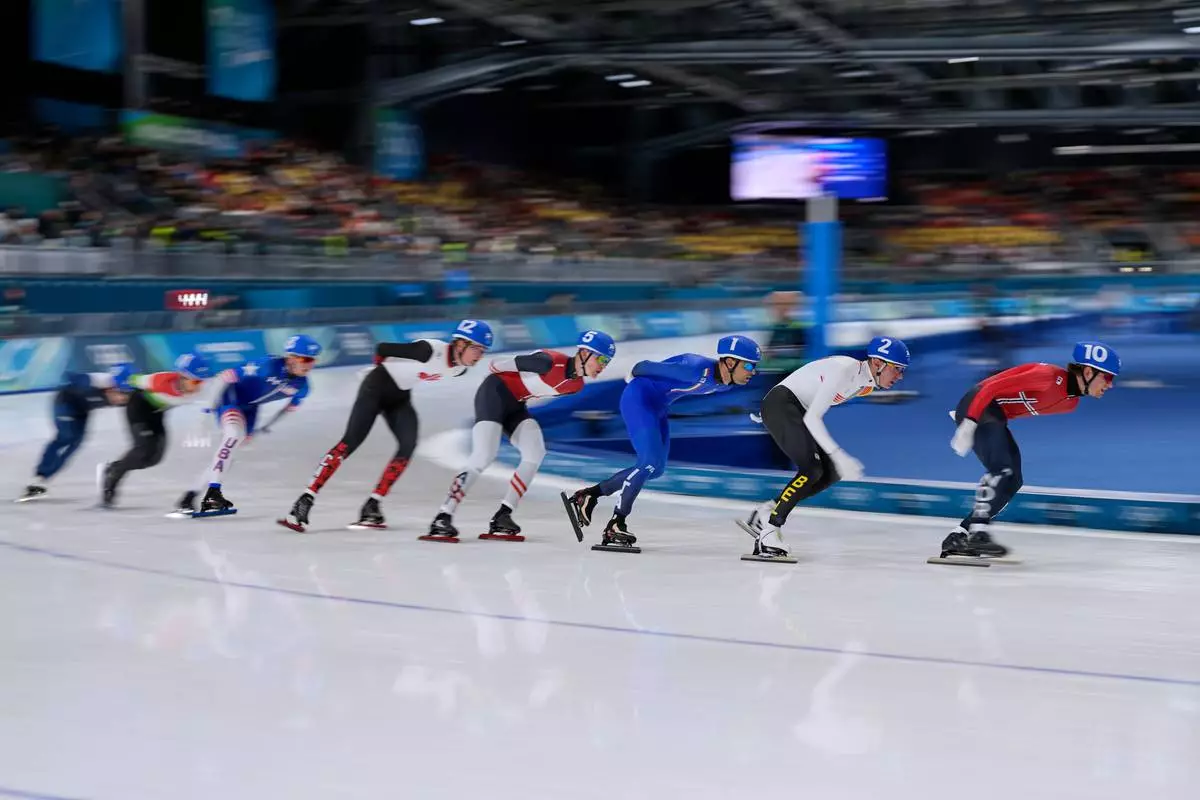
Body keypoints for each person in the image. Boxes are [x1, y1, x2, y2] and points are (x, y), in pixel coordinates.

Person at [278, 320, 492, 534]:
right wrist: (377, 374)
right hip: (376, 387)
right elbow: (381, 349)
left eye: (483, 351)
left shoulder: (460, 370)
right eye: (476, 349)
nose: (479, 356)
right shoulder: (428, 350)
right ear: (460, 344)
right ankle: (304, 501)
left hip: (399, 396)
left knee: (408, 445)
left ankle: (373, 505)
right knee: (350, 442)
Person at [562, 335, 761, 551]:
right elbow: (642, 367)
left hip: (657, 406)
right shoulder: (695, 368)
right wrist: (633, 376)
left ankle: (589, 495)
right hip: (638, 399)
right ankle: (616, 524)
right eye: (749, 365)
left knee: (656, 469)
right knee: (647, 463)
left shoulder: (726, 385)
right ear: (730, 362)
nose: (753, 371)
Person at [428, 330, 616, 542]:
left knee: (535, 452)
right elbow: (495, 365)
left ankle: (503, 514)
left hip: (516, 405)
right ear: (584, 353)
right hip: (494, 394)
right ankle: (443, 515)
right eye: (601, 358)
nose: (603, 365)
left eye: (607, 361)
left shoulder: (576, 385)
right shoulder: (548, 362)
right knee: (484, 455)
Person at [940, 341, 1120, 560]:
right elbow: (988, 388)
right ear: (1089, 371)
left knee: (1014, 479)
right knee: (1002, 468)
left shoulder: (1069, 404)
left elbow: (1012, 407)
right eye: (1108, 377)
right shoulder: (1048, 375)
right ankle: (979, 532)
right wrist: (969, 420)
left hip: (993, 416)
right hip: (979, 408)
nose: (1110, 385)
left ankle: (960, 534)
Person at [739, 336, 910, 561]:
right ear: (878, 363)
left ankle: (766, 512)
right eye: (896, 369)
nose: (900, 376)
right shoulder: (845, 369)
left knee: (830, 472)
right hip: (783, 404)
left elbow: (810, 394)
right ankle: (770, 531)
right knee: (811, 468)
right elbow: (813, 418)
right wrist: (839, 455)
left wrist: (835, 460)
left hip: (792, 409)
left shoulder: (866, 385)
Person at [172, 334, 322, 518]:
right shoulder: (267, 366)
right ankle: (213, 493)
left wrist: (266, 427)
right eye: (306, 359)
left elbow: (289, 408)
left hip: (251, 410)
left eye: (313, 360)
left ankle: (189, 496)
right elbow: (223, 378)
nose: (310, 365)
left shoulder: (303, 386)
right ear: (291, 357)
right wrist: (206, 412)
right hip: (231, 397)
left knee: (229, 453)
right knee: (233, 436)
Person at [100, 353, 213, 508]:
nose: (199, 386)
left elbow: (219, 390)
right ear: (182, 377)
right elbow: (130, 377)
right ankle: (113, 475)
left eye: (201, 381)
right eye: (195, 381)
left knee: (154, 458)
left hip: (157, 413)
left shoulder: (201, 389)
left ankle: (115, 467)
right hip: (138, 408)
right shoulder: (160, 381)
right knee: (142, 449)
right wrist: (117, 384)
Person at [17, 363, 135, 502]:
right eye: (121, 392)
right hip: (65, 404)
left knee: (76, 442)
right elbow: (67, 374)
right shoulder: (91, 381)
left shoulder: (127, 395)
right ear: (110, 387)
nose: (123, 399)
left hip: (82, 409)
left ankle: (41, 479)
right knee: (66, 438)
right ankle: (38, 480)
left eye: (128, 394)